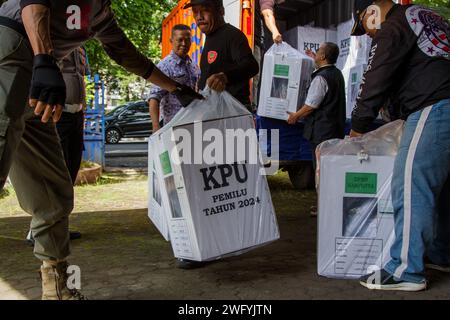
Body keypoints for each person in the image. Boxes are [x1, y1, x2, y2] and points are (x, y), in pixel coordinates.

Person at [0, 0, 202, 300]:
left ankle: (57, 289)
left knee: (53, 192)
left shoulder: (101, 13)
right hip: (12, 50)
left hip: (39, 74)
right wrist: (43, 59)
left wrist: (175, 88)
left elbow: (127, 55)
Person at [348, 0, 450, 291]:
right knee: (442, 189)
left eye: (364, 27)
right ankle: (442, 253)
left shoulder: (392, 26)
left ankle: (406, 269)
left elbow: (375, 79)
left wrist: (357, 128)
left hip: (435, 106)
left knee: (410, 183)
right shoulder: (424, 15)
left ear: (372, 11)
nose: (368, 34)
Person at [26, 47, 88, 247]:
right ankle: (36, 230)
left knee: (70, 171)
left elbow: (80, 78)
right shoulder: (53, 44)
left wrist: (83, 111)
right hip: (57, 115)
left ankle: (59, 228)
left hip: (76, 115)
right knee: (53, 174)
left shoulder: (80, 48)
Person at [286, 42, 346, 216]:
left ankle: (324, 208)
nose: (316, 54)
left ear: (323, 57)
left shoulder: (321, 78)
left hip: (322, 132)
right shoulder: (336, 74)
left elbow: (311, 105)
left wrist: (295, 116)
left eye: (318, 52)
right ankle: (328, 205)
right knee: (329, 169)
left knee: (321, 170)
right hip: (334, 129)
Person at [188, 0, 259, 110]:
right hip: (214, 113)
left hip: (233, 114)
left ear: (221, 11)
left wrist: (225, 77)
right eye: (195, 12)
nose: (199, 17)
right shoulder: (209, 37)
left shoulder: (232, 35)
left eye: (205, 10)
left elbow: (252, 66)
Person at [148, 24, 200, 131]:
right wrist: (155, 127)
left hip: (191, 124)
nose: (184, 44)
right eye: (179, 40)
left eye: (187, 40)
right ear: (171, 41)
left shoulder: (194, 65)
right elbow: (154, 98)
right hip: (171, 127)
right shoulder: (164, 66)